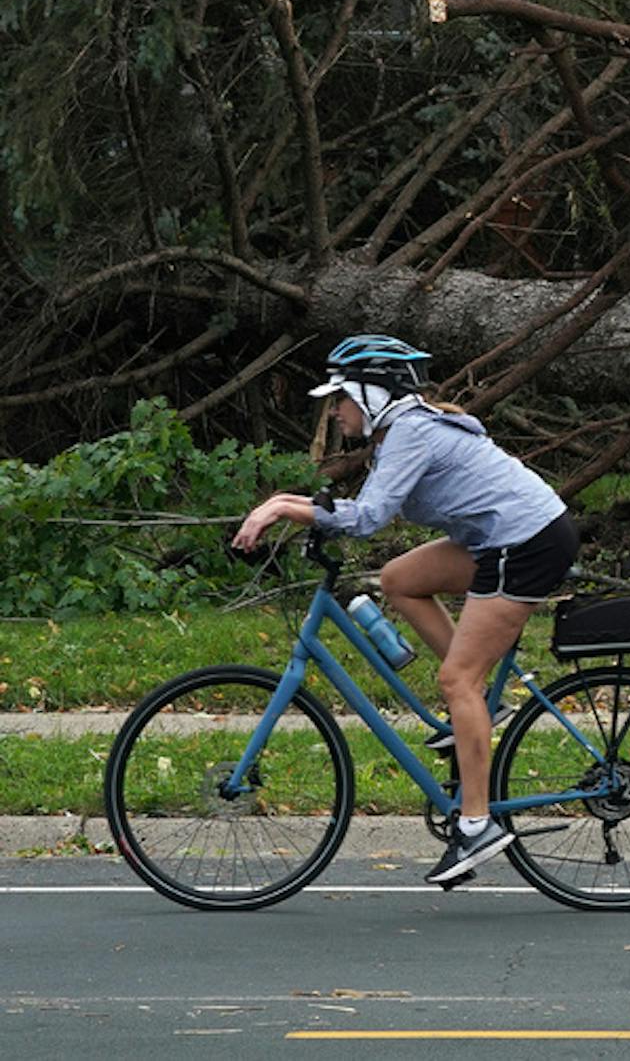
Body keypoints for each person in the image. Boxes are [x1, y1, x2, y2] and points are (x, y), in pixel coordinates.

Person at [234, 334, 578, 884]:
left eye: (341, 399)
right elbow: (361, 510)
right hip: (499, 539)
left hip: (526, 542)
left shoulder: (413, 432)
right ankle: (481, 713)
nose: (337, 412)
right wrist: (284, 507)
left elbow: (368, 518)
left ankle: (476, 825)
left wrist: (280, 506)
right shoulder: (401, 432)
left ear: (373, 395)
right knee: (399, 578)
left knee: (457, 680)